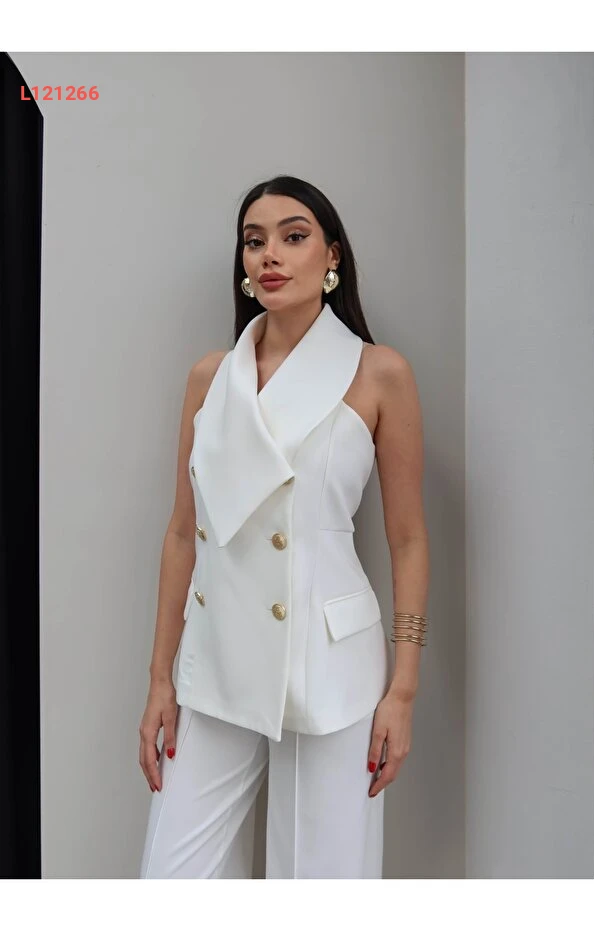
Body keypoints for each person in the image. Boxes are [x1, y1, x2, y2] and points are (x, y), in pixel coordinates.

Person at [138, 174, 429, 879]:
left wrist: (402, 690)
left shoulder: (378, 373)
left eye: (293, 237)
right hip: (217, 654)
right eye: (254, 240)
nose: (269, 254)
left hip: (330, 663)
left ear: (331, 255)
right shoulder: (212, 377)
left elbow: (407, 539)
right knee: (171, 882)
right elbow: (182, 533)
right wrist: (158, 680)